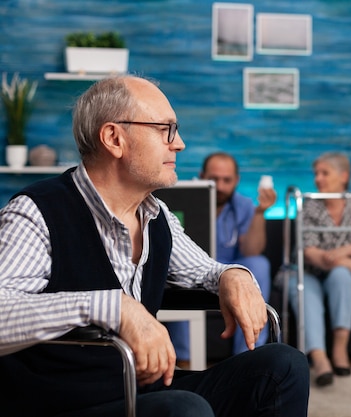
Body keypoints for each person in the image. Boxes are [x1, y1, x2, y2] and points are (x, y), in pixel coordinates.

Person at [0, 75, 309, 417]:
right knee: (184, 408)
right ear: (114, 138)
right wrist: (114, 307)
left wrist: (233, 275)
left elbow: (206, 269)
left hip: (137, 390)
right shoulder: (36, 212)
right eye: (167, 129)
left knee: (283, 366)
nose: (180, 144)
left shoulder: (155, 214)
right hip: (59, 403)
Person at [288, 152, 351, 387]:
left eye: (324, 173)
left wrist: (345, 252)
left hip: (336, 272)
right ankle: (319, 359)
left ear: (343, 176)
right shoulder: (309, 207)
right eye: (316, 174)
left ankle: (339, 349)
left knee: (343, 276)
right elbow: (311, 254)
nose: (318, 179)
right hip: (308, 271)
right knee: (305, 289)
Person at [166, 152, 276, 360]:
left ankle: (248, 356)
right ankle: (182, 360)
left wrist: (260, 212)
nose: (221, 186)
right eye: (214, 179)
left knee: (259, 264)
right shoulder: (181, 199)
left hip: (229, 270)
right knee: (176, 271)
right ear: (201, 175)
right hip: (190, 270)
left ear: (237, 180)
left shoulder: (242, 205)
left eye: (227, 180)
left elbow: (251, 251)